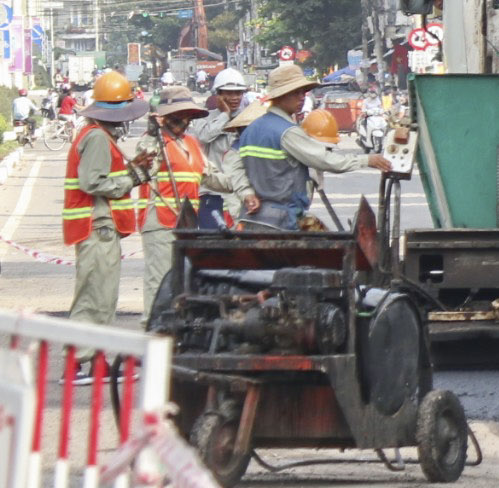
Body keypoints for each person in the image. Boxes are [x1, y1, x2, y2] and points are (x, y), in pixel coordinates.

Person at [235, 64, 389, 230]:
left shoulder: (250, 130)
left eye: (303, 92)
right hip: (283, 222)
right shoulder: (287, 132)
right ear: (281, 95)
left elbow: (236, 170)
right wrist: (368, 159)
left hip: (252, 219)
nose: (302, 97)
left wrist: (246, 194)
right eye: (296, 92)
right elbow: (326, 160)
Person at [61, 69, 149, 325]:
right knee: (94, 301)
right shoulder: (98, 138)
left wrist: (131, 171)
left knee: (102, 298)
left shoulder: (99, 135)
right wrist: (132, 179)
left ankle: (92, 360)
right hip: (97, 228)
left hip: (98, 229)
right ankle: (80, 359)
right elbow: (93, 182)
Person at [135, 91, 208, 308]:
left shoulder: (191, 143)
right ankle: (152, 331)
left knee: (181, 283)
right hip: (160, 221)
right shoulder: (152, 142)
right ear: (164, 117)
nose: (181, 120)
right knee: (159, 282)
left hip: (185, 224)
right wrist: (153, 137)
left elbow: (209, 175)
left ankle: (173, 335)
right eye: (176, 115)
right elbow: (144, 169)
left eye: (186, 115)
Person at [192, 67, 250, 224]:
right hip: (213, 193)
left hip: (241, 193)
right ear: (218, 94)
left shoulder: (249, 119)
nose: (234, 97)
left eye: (238, 93)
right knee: (210, 244)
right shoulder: (203, 119)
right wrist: (225, 115)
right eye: (229, 93)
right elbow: (203, 136)